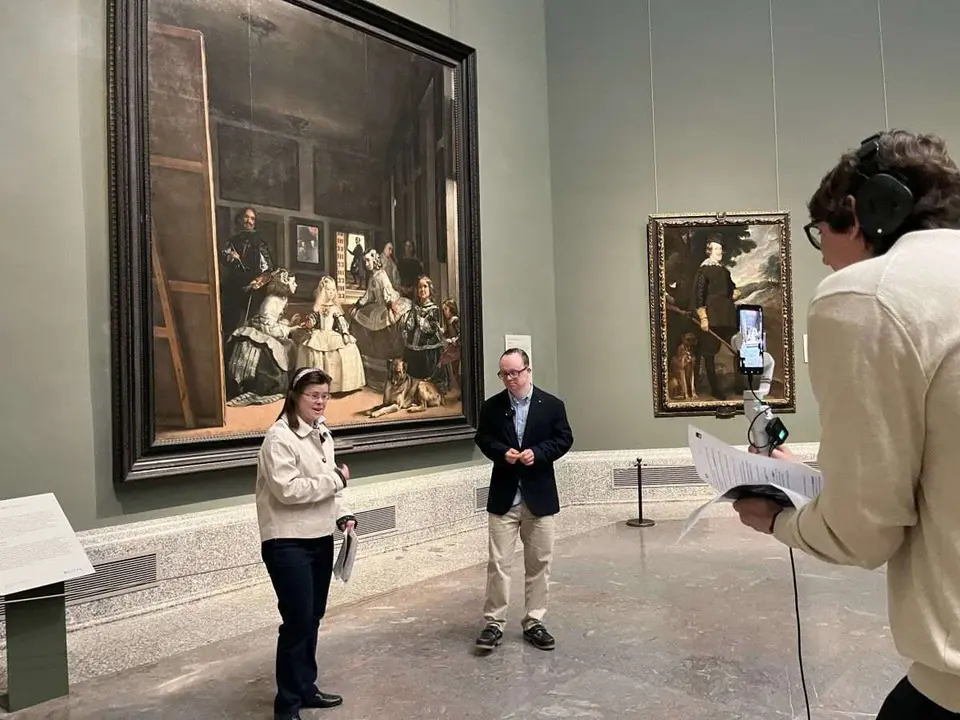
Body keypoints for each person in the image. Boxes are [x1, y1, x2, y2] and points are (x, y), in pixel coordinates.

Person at [732, 130, 960, 718]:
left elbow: (866, 531)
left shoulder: (864, 295)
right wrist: (810, 477)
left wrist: (781, 518)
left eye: (820, 235)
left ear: (862, 212)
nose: (826, 257)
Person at [256, 367, 358, 720]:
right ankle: (286, 707)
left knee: (312, 617)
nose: (320, 402)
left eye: (325, 395)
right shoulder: (278, 438)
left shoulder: (321, 432)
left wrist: (342, 514)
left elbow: (330, 486)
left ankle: (305, 687)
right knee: (297, 621)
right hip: (287, 542)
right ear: (295, 396)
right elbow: (288, 490)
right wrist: (336, 481)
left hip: (319, 537)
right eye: (313, 395)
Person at [473, 348, 574, 652]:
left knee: (539, 563)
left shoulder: (552, 405)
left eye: (515, 372)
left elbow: (564, 438)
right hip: (505, 497)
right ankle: (494, 623)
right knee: (499, 564)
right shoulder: (492, 407)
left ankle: (534, 621)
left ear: (528, 371)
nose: (510, 379)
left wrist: (539, 453)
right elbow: (484, 439)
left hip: (539, 497)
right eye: (504, 373)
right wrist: (503, 453)